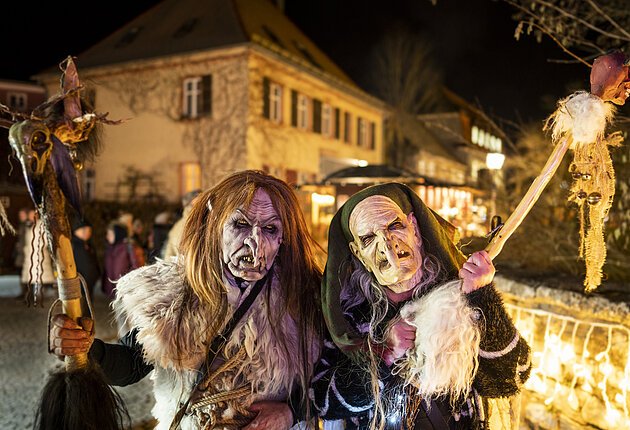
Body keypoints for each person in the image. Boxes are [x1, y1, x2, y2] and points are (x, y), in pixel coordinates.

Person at [49, 170, 324, 430]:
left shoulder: (304, 297)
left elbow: (335, 380)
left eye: (270, 228)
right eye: (240, 224)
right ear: (215, 224)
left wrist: (291, 412)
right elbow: (130, 364)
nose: (255, 243)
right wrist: (85, 350)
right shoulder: (173, 291)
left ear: (284, 237)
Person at [311, 183, 532, 429]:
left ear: (414, 229)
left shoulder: (461, 296)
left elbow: (512, 377)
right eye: (368, 239)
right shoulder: (351, 316)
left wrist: (482, 297)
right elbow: (322, 401)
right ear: (358, 253)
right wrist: (384, 353)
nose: (387, 245)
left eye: (394, 226)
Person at [20, 209, 56, 305]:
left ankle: (38, 297)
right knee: (31, 278)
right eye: (30, 215)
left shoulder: (41, 225)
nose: (32, 217)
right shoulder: (29, 225)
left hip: (39, 255)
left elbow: (45, 239)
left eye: (34, 214)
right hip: (30, 255)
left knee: (39, 277)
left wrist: (40, 248)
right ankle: (31, 297)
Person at [70, 216, 101, 313]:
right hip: (79, 285)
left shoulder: (88, 244)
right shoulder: (72, 245)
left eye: (88, 230)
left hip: (89, 284)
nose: (86, 232)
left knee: (88, 308)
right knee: (80, 310)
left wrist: (97, 274)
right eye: (83, 230)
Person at [162, 188, 201, 259]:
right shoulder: (196, 223)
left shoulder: (177, 226)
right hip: (189, 264)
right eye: (199, 201)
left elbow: (168, 255)